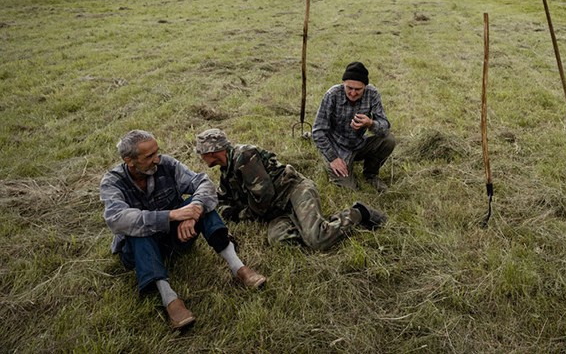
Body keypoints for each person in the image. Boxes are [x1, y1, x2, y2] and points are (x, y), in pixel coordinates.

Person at [100, 130, 266, 331]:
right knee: (137, 231)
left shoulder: (166, 164)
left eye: (157, 152)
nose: (157, 159)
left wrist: (193, 210)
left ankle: (238, 267)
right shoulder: (112, 182)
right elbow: (117, 219)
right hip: (139, 251)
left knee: (203, 206)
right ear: (129, 161)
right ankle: (170, 299)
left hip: (178, 237)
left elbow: (203, 183)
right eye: (149, 156)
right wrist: (172, 215)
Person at [195, 128, 385, 251]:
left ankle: (359, 213)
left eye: (202, 153)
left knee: (317, 239)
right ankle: (310, 226)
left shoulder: (244, 156)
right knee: (280, 241)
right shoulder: (227, 172)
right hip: (277, 210)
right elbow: (223, 201)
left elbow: (263, 197)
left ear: (211, 152)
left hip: (295, 191)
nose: (201, 157)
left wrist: (242, 214)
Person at [312, 61, 396, 192]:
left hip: (359, 144)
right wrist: (333, 158)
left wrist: (370, 123)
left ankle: (370, 174)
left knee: (388, 140)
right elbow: (318, 131)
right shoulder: (332, 95)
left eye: (358, 89)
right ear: (343, 84)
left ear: (365, 87)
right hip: (337, 148)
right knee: (350, 189)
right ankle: (334, 164)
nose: (352, 93)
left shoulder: (372, 94)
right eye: (349, 88)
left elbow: (385, 126)